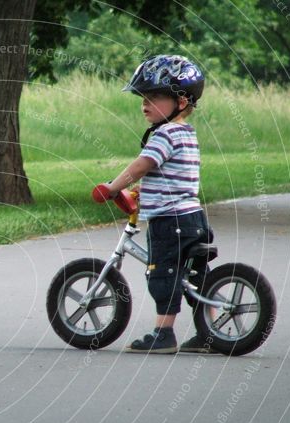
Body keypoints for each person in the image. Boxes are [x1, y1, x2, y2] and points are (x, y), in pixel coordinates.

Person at [100, 54, 216, 354]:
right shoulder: (186, 134)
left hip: (170, 221)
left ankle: (163, 334)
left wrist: (113, 188)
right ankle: (210, 332)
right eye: (143, 99)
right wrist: (143, 192)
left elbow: (142, 165)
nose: (145, 105)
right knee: (195, 277)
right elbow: (170, 175)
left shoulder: (164, 135)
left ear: (180, 102)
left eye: (154, 98)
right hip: (194, 220)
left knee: (163, 273)